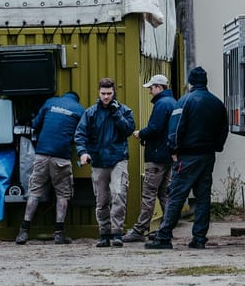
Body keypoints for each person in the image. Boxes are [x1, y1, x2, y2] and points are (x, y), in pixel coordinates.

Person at [145, 65, 228, 250]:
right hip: (208, 156)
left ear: (190, 82)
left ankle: (164, 236)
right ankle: (199, 238)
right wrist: (217, 147)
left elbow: (175, 128)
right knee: (203, 197)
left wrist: (173, 150)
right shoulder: (217, 103)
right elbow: (223, 128)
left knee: (176, 195)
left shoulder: (185, 101)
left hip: (187, 157)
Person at [15, 88, 84, 244]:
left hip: (42, 154)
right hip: (61, 157)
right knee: (62, 195)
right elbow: (81, 134)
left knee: (34, 193)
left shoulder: (50, 102)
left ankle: (23, 232)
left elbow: (35, 124)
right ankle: (59, 234)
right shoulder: (79, 110)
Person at [74, 77, 137, 247]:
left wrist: (116, 114)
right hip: (98, 160)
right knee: (101, 200)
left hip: (118, 158)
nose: (106, 97)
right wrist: (83, 152)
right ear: (98, 93)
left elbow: (129, 130)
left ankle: (117, 232)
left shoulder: (124, 111)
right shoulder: (91, 113)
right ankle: (104, 233)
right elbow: (80, 134)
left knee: (119, 195)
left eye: (109, 93)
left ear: (114, 92)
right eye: (103, 93)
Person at [123, 73, 176, 243]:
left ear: (159, 87)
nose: (149, 92)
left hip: (156, 156)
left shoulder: (161, 104)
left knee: (149, 194)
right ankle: (166, 229)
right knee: (164, 194)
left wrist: (141, 133)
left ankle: (139, 230)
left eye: (151, 88)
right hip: (167, 156)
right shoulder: (172, 102)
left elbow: (154, 128)